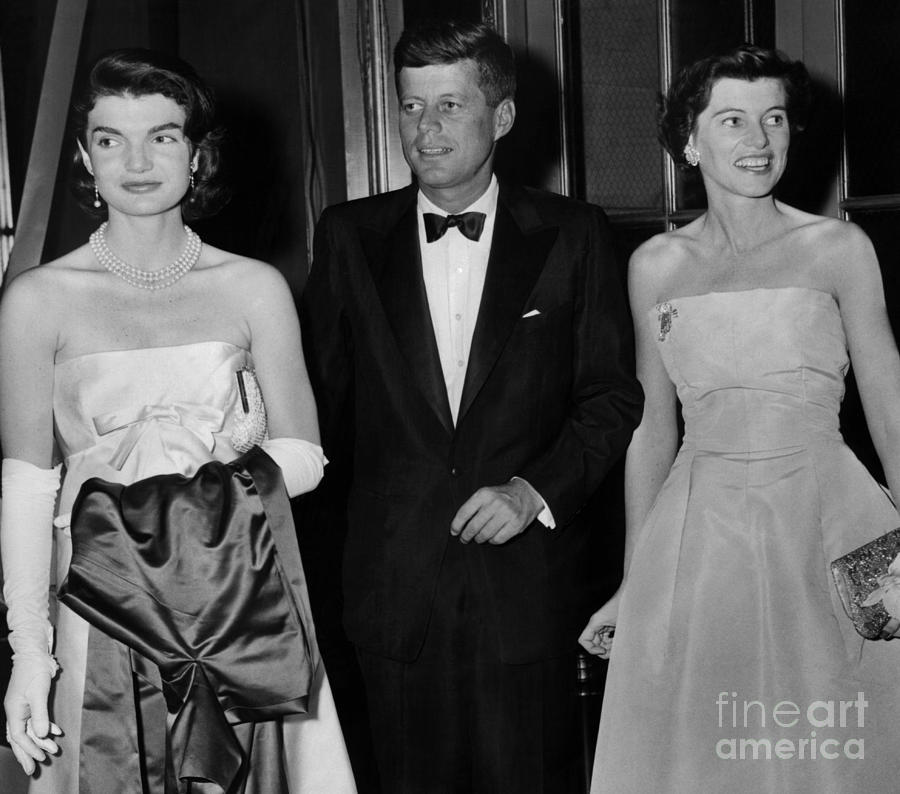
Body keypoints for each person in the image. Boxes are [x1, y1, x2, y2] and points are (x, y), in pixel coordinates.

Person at [300, 18, 643, 794]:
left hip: (527, 590)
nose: (426, 128)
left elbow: (611, 396)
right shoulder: (349, 235)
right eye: (412, 107)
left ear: (504, 116)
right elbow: (321, 412)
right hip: (390, 596)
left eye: (450, 106)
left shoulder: (573, 234)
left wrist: (535, 491)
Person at [0, 48, 356, 792]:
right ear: (84, 156)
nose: (136, 160)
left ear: (197, 154)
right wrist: (29, 654)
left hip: (239, 590)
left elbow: (306, 453)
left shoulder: (253, 288)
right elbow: (28, 486)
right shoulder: (37, 300)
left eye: (161, 136)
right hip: (101, 599)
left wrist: (207, 497)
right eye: (110, 139)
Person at [580, 44, 900, 792]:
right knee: (704, 751)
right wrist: (635, 580)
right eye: (733, 120)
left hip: (824, 524)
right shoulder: (655, 266)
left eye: (775, 119)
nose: (759, 142)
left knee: (831, 745)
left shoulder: (839, 249)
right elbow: (652, 428)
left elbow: (888, 404)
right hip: (701, 537)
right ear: (689, 141)